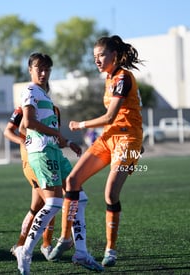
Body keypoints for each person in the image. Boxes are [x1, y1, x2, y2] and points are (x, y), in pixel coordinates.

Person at [49, 35, 144, 268]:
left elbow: (111, 116)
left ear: (114, 55)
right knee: (71, 181)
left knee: (110, 193)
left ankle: (110, 250)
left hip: (128, 140)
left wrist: (80, 124)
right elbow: (114, 119)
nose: (97, 60)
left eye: (101, 55)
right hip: (109, 137)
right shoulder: (109, 78)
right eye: (94, 57)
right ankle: (66, 238)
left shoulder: (123, 78)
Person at [13, 53, 102, 274]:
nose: (43, 73)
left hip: (53, 152)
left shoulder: (44, 94)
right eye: (39, 68)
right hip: (41, 154)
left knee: (79, 198)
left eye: (47, 69)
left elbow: (37, 128)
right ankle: (24, 250)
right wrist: (52, 134)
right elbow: (28, 122)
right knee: (53, 204)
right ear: (30, 69)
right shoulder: (30, 91)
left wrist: (67, 141)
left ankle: (80, 253)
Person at [4, 104, 83, 261]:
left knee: (37, 208)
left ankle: (20, 246)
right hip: (33, 162)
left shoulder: (55, 110)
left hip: (52, 159)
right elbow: (8, 131)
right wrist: (23, 141)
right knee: (52, 202)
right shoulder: (25, 108)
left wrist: (67, 143)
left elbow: (55, 138)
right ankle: (47, 246)